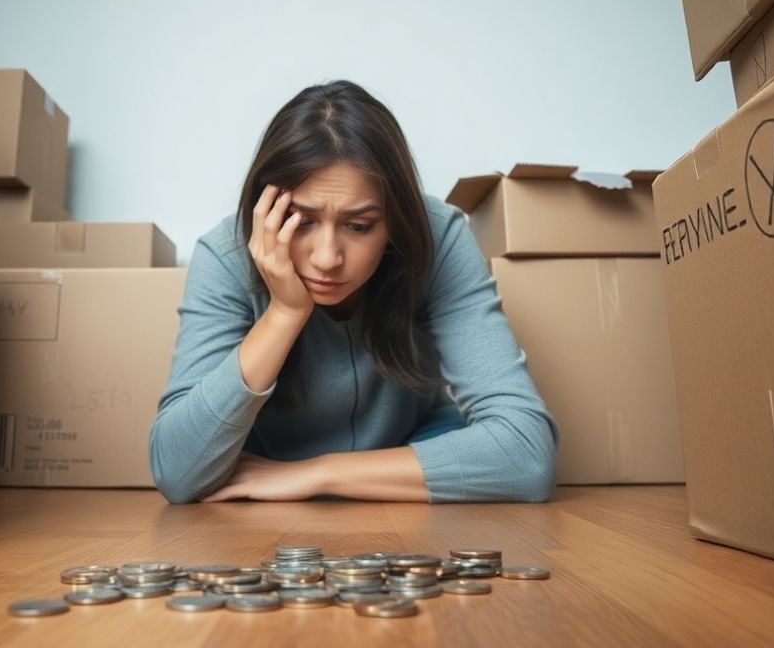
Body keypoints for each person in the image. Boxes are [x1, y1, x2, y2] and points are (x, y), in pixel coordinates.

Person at [148, 80, 556, 503]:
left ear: (394, 220)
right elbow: (177, 472)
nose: (327, 258)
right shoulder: (227, 254)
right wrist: (284, 314)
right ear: (264, 207)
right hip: (267, 482)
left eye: (359, 226)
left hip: (402, 459)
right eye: (301, 221)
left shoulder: (437, 235)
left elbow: (527, 456)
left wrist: (318, 474)